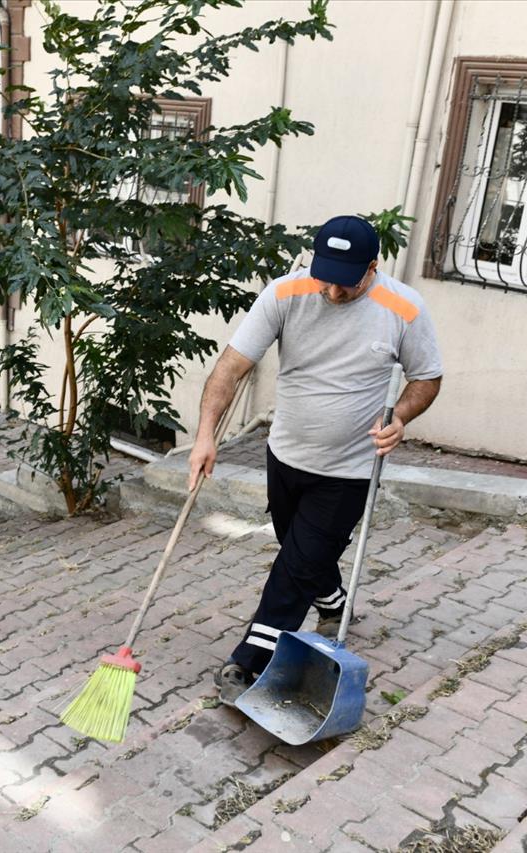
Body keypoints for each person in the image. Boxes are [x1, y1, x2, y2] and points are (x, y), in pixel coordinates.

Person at [189, 215, 443, 705]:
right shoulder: (286, 293)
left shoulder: (404, 308)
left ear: (371, 268)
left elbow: (427, 378)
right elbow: (231, 367)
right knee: (299, 550)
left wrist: (402, 416)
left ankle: (249, 661)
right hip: (286, 454)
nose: (331, 290)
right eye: (323, 274)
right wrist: (205, 435)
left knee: (294, 566)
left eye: (344, 281)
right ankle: (333, 601)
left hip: (348, 469)